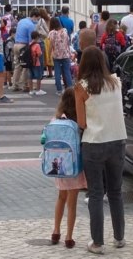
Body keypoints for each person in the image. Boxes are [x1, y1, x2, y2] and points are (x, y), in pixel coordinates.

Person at [75, 46, 127, 254]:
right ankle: (119, 238)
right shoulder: (116, 82)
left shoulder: (82, 87)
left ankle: (97, 243)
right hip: (117, 141)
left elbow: (81, 123)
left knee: (96, 193)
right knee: (116, 192)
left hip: (94, 142)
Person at [50, 88, 87, 249]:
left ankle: (55, 231)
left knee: (61, 198)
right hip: (74, 166)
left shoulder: (56, 119)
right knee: (72, 203)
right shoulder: (78, 122)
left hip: (59, 166)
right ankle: (69, 237)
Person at [12, 8, 40, 92]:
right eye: (37, 19)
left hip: (16, 44)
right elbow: (31, 40)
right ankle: (24, 85)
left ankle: (15, 85)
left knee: (17, 66)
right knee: (25, 66)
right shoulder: (31, 25)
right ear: (34, 16)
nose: (37, 21)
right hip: (23, 46)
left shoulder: (21, 21)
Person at [49, 17, 74, 96]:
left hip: (56, 55)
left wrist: (49, 54)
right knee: (67, 72)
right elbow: (68, 43)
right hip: (66, 54)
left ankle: (59, 90)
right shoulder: (65, 31)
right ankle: (70, 89)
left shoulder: (52, 33)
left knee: (57, 72)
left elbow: (51, 45)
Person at [28, 31, 46, 96]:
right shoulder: (37, 45)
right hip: (36, 62)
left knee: (30, 76)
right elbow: (39, 53)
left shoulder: (29, 44)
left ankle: (31, 90)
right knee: (38, 76)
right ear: (37, 37)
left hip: (30, 62)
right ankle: (38, 90)